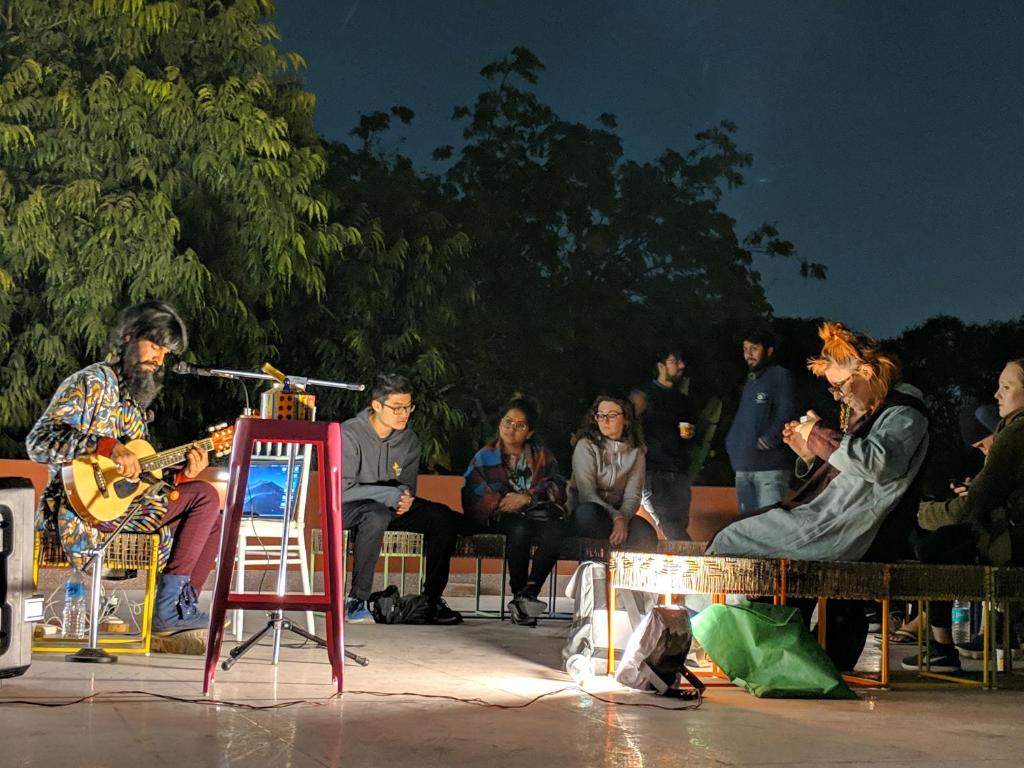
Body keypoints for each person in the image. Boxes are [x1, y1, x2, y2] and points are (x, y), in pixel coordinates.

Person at [707, 322, 930, 670]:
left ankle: (744, 646)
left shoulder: (905, 413)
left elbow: (878, 463)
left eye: (840, 386)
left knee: (732, 538)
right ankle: (772, 652)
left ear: (867, 373)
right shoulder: (877, 412)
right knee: (747, 540)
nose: (840, 396)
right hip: (831, 520)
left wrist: (820, 436)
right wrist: (810, 452)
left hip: (845, 529)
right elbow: (850, 473)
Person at [26, 301, 223, 654]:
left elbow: (140, 476)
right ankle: (167, 612)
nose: (160, 358)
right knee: (206, 497)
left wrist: (180, 472)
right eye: (155, 345)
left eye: (166, 351)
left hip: (122, 511)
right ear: (129, 337)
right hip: (76, 509)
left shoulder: (131, 405)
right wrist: (106, 447)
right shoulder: (89, 382)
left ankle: (178, 608)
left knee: (214, 516)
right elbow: (38, 442)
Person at [902, 360, 1024, 672]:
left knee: (932, 544)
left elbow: (971, 508)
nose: (997, 394)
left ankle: (941, 645)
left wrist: (921, 512)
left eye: (1006, 387)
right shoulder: (1009, 430)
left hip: (1012, 542)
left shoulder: (1015, 434)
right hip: (1009, 532)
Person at [341, 373, 462, 625]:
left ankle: (431, 600)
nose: (404, 414)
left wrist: (405, 497)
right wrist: (390, 495)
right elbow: (342, 490)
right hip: (347, 508)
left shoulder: (408, 439)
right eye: (397, 408)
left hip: (390, 506)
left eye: (408, 407)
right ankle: (357, 599)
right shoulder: (349, 434)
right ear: (377, 405)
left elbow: (406, 485)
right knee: (376, 515)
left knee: (441, 517)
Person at [462, 396, 569, 626]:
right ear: (499, 424)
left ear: (529, 432)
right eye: (508, 422)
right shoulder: (484, 457)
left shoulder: (542, 455)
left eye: (520, 425)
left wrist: (526, 498)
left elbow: (557, 486)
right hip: (502, 517)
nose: (512, 429)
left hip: (537, 513)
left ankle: (528, 594)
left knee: (556, 531)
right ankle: (519, 594)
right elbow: (473, 494)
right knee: (519, 529)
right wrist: (502, 501)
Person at [570, 395, 658, 550]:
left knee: (646, 533)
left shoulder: (636, 452)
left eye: (611, 415)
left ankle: (629, 572)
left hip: (620, 514)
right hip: (589, 511)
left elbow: (633, 496)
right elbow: (586, 494)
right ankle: (600, 567)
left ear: (626, 419)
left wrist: (622, 518)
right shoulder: (586, 446)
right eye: (600, 415)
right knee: (589, 514)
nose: (605, 420)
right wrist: (616, 517)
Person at [724, 327, 795, 514]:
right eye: (745, 349)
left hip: (770, 467)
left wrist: (769, 439)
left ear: (769, 350)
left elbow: (786, 412)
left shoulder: (780, 376)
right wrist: (732, 444)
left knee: (770, 524)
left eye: (754, 348)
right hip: (743, 466)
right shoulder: (749, 380)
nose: (748, 354)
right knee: (746, 525)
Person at [631, 349, 696, 540]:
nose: (681, 366)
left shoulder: (682, 400)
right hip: (652, 471)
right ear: (661, 366)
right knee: (671, 526)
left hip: (679, 471)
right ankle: (696, 562)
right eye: (675, 361)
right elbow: (630, 429)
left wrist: (689, 435)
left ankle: (683, 563)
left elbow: (689, 433)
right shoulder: (644, 396)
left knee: (678, 525)